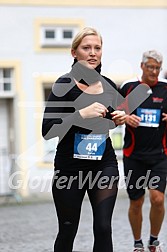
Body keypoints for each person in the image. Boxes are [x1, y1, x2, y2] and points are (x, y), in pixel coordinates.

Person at [42, 27, 126, 252]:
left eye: (97, 48)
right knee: (68, 229)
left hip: (103, 163)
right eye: (86, 48)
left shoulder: (109, 85)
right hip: (70, 167)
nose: (92, 53)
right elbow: (47, 130)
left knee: (103, 227)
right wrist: (80, 114)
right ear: (74, 53)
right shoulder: (63, 85)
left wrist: (119, 118)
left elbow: (113, 116)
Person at [119, 50, 167, 252]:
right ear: (142, 66)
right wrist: (125, 117)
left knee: (158, 199)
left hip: (159, 155)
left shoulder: (165, 88)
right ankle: (138, 243)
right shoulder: (129, 87)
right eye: (151, 67)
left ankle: (153, 239)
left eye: (158, 68)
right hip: (134, 155)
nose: (154, 71)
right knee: (136, 202)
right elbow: (115, 112)